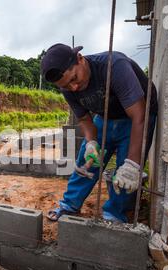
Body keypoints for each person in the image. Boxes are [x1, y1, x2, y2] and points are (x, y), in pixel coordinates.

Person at [41, 43, 158, 223]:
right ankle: (69, 204)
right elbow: (84, 119)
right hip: (105, 115)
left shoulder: (114, 66)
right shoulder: (67, 88)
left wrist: (133, 164)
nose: (73, 87)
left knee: (125, 172)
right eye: (66, 85)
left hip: (137, 115)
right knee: (87, 161)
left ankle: (116, 214)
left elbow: (139, 115)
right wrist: (91, 142)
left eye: (74, 78)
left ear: (80, 59)